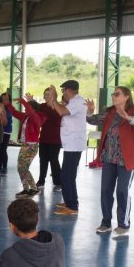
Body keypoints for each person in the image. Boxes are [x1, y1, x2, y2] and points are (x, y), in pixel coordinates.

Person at [86, 87, 134, 236]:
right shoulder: (110, 112)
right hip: (109, 158)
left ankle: (123, 224)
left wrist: (128, 118)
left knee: (122, 191)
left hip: (126, 159)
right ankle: (105, 222)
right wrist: (90, 111)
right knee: (105, 190)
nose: (113, 96)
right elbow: (91, 120)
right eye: (113, 94)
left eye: (117, 94)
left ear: (126, 96)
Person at [46, 80, 87, 216]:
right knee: (67, 175)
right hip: (71, 144)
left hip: (74, 145)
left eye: (63, 91)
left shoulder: (78, 101)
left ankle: (73, 206)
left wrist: (55, 99)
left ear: (69, 90)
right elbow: (58, 109)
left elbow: (62, 112)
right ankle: (69, 201)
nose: (63, 93)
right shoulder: (73, 102)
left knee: (68, 176)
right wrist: (53, 100)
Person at [3, 93, 47, 198]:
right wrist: (8, 104)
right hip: (25, 145)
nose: (26, 109)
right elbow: (14, 112)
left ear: (33, 109)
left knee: (23, 167)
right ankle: (26, 189)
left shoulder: (38, 118)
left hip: (31, 146)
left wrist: (24, 102)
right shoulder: (25, 116)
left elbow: (32, 114)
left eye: (28, 107)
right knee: (21, 168)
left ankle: (34, 188)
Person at [37, 87, 63, 191]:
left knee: (53, 160)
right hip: (44, 138)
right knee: (43, 160)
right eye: (46, 94)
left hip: (55, 139)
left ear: (54, 96)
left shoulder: (59, 107)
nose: (47, 96)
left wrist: (53, 105)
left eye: (49, 94)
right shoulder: (42, 106)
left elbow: (57, 119)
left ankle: (58, 182)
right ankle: (41, 180)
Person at [1, 93, 13, 175]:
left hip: (6, 131)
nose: (4, 101)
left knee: (3, 150)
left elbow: (7, 118)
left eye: (6, 99)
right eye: (3, 99)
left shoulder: (9, 108)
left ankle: (4, 166)